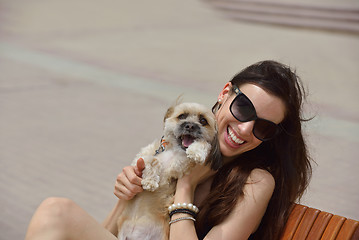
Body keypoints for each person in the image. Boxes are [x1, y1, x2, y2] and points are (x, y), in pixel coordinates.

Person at [25, 60, 313, 240]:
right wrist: (129, 198)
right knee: (56, 211)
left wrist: (186, 185)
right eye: (243, 108)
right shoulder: (178, 145)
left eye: (264, 128)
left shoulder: (256, 181)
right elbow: (112, 230)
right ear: (225, 93)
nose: (246, 129)